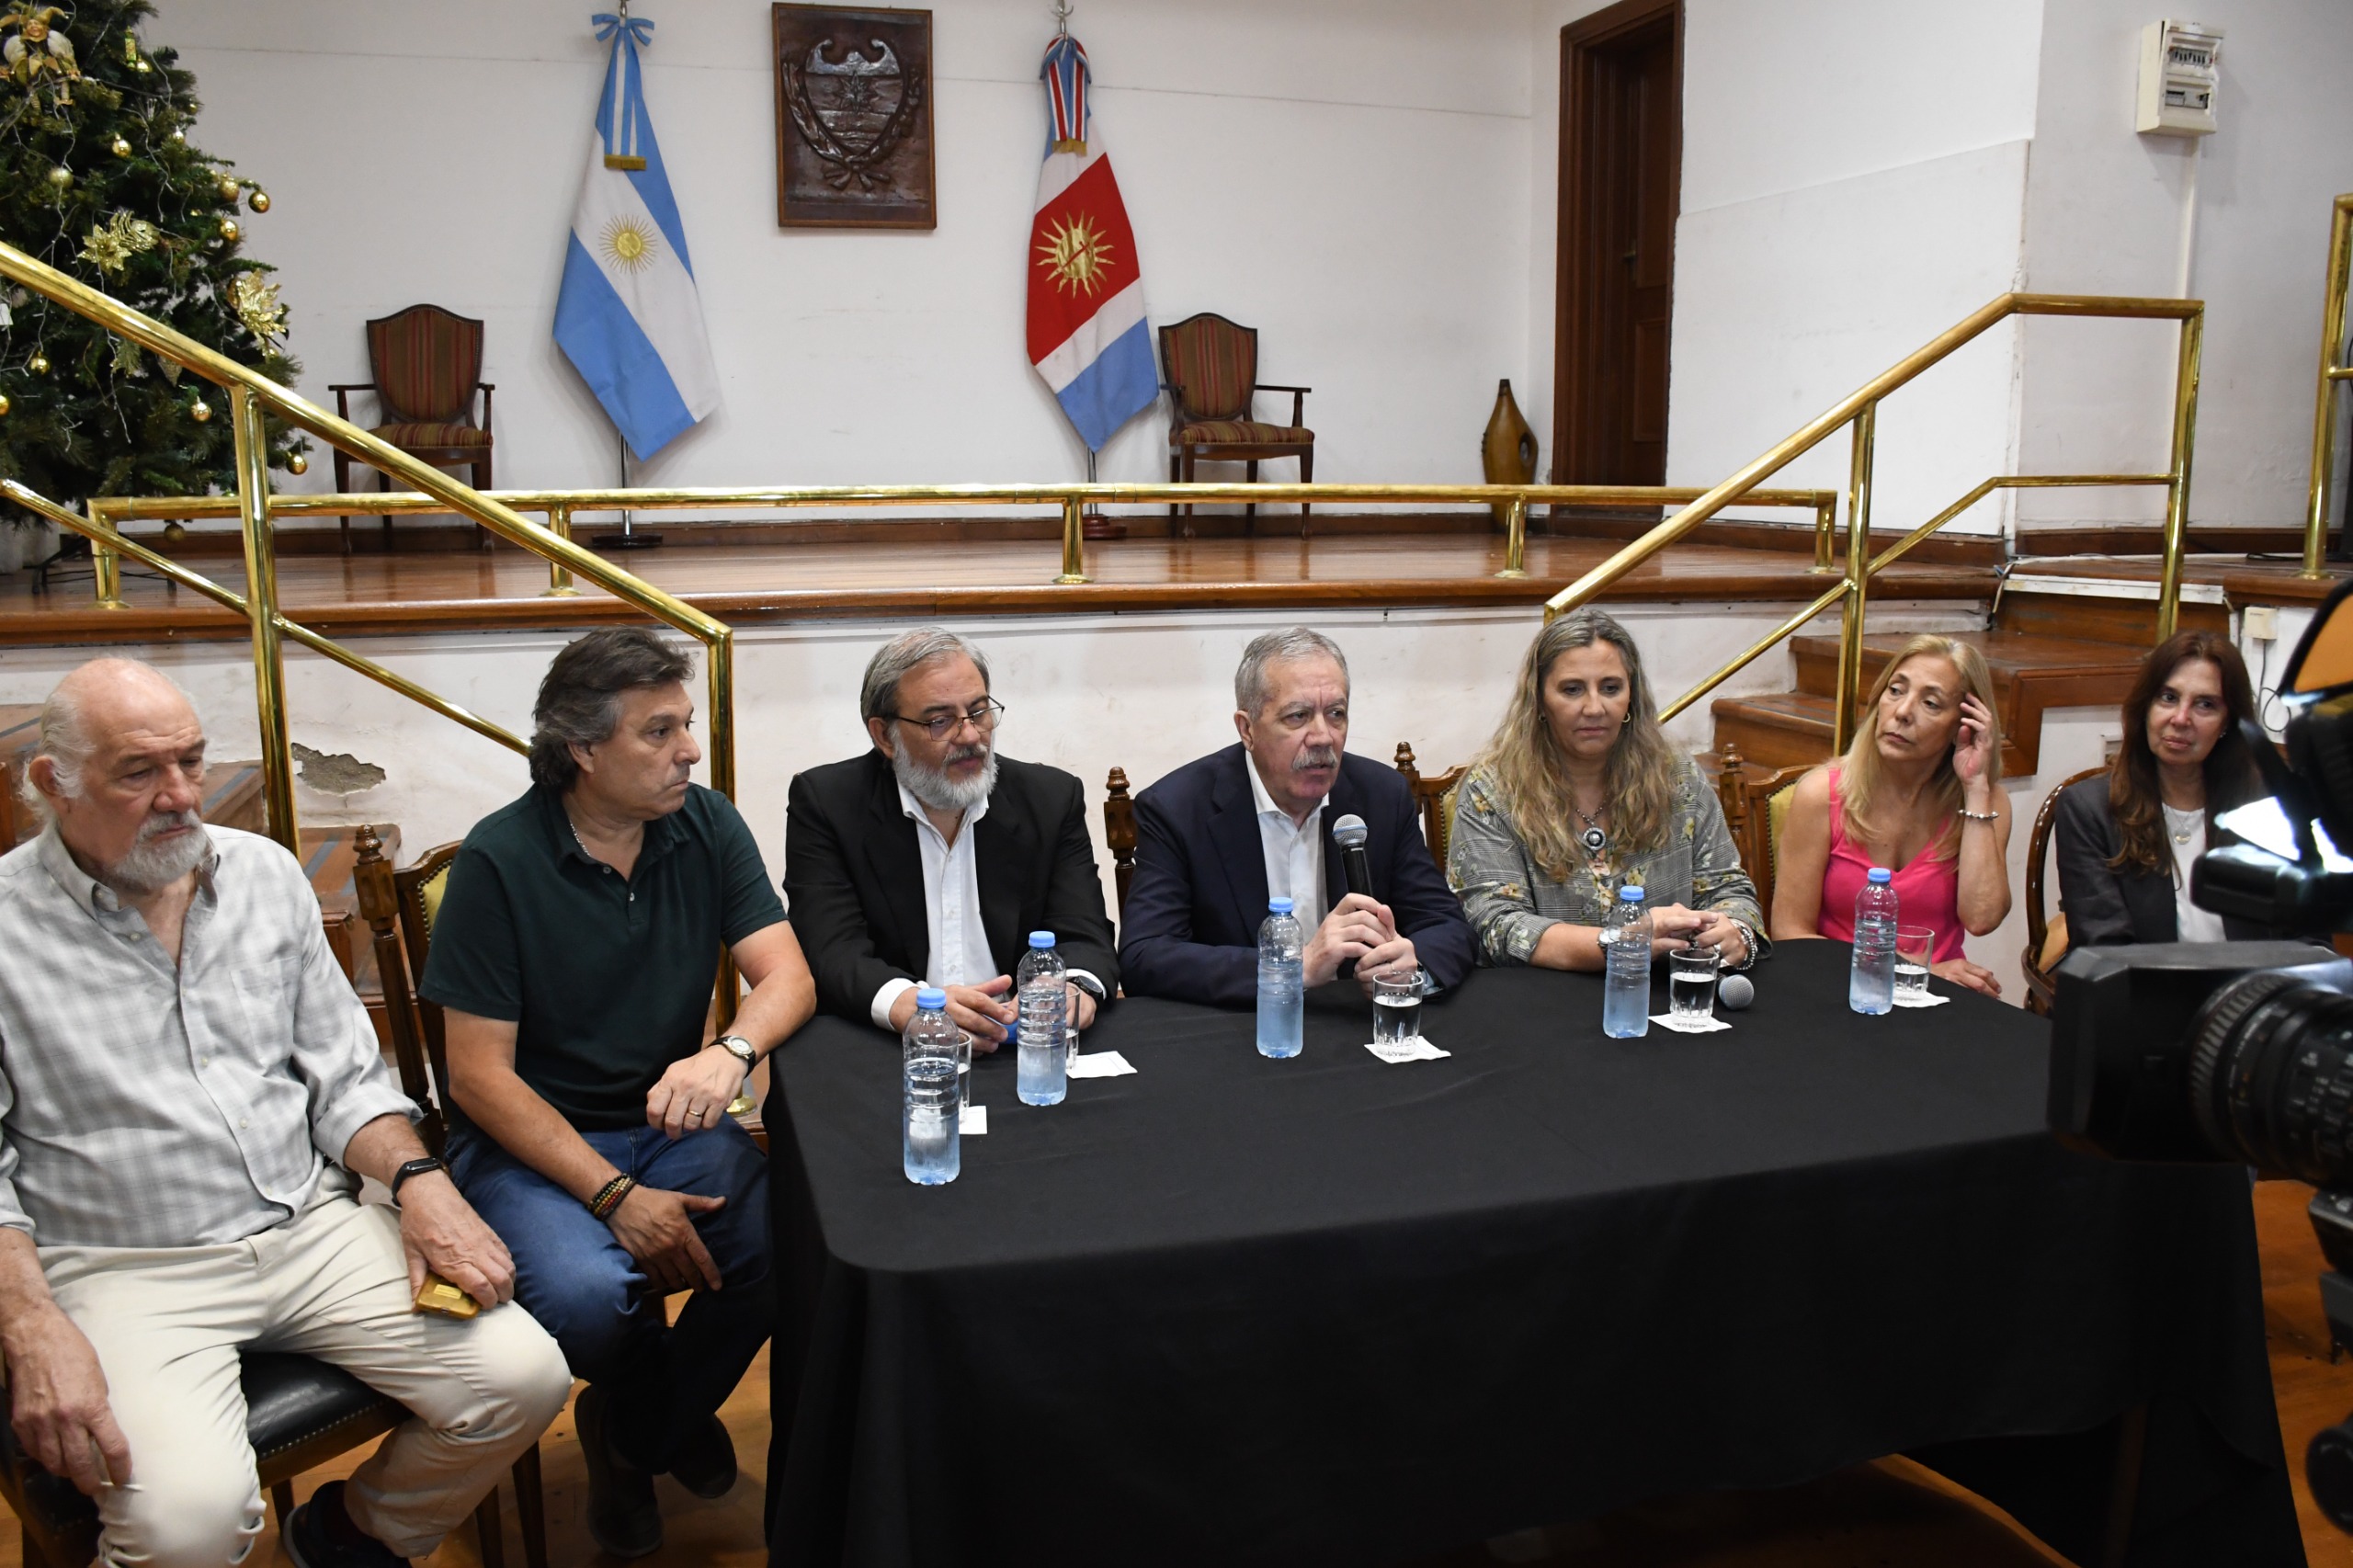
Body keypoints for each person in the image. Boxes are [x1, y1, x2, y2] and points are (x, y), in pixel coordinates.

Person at [0, 659, 570, 1568]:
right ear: (52, 780)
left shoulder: (265, 875)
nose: (181, 795)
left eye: (191, 760)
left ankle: (348, 1535)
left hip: (309, 1226)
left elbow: (346, 1080)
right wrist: (29, 1325)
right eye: (139, 771)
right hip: (126, 1265)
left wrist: (420, 1182)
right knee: (187, 1526)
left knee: (525, 1379)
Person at [421, 628, 815, 1558]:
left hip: (665, 1124)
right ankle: (664, 1409)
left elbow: (789, 975)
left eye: (685, 724)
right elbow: (477, 1076)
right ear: (582, 750)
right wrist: (614, 1196)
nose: (690, 750)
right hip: (529, 1144)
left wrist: (729, 1050)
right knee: (589, 1296)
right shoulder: (498, 861)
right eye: (659, 731)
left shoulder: (706, 823)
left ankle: (634, 1430)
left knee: (790, 1248)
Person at [785, 627, 1119, 1042]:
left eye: (979, 712)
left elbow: (1084, 933)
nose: (971, 736)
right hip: (891, 1046)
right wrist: (913, 1007)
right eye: (940, 721)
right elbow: (832, 951)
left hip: (1024, 1039)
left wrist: (1071, 988)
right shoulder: (827, 804)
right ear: (884, 735)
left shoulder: (1050, 799)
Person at [1120, 627, 1476, 1006]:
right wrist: (1292, 968)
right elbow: (1145, 956)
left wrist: (1413, 965)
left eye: (1336, 714)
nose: (1322, 736)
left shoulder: (1382, 796)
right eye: (1298, 716)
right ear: (1247, 729)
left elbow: (1446, 925)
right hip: (1240, 1024)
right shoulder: (1178, 808)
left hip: (1353, 1019)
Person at [1449, 609, 1762, 970]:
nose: (1594, 708)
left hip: (1662, 992)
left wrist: (1734, 930)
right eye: (1572, 690)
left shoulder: (1676, 776)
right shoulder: (1493, 789)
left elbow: (1728, 889)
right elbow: (1494, 926)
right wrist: (1622, 942)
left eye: (1611, 688)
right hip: (1542, 994)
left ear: (1632, 697)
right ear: (1539, 701)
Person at [1771, 634, 2012, 994]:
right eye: (1896, 691)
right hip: (1837, 989)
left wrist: (1976, 787)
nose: (1902, 712)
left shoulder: (1986, 802)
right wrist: (1913, 972)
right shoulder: (1821, 794)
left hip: (1940, 997)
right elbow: (1790, 933)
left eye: (1930, 703)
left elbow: (1982, 919)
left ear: (1962, 725)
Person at [2054, 630, 2268, 946]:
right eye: (2168, 698)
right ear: (2146, 707)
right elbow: (2104, 948)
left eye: (2205, 704)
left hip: (2254, 979)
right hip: (2138, 979)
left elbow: (2308, 938)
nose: (2180, 719)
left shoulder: (2269, 809)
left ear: (2228, 722)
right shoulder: (2089, 809)